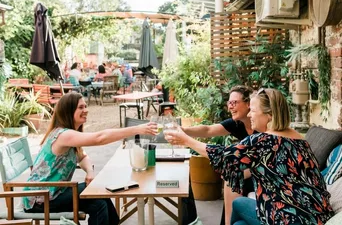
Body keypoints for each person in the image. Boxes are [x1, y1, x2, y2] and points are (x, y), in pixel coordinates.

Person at [167, 88, 334, 225]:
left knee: (239, 203)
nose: (249, 115)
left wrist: (185, 140)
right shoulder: (299, 138)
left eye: (253, 111)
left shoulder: (264, 140)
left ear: (269, 115)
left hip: (291, 218)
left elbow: (223, 156)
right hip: (318, 215)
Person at [23, 92, 157, 225]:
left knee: (100, 196)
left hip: (55, 192)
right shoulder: (63, 135)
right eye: (80, 107)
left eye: (85, 106)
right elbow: (100, 138)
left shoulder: (69, 134)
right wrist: (137, 129)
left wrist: (90, 172)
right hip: (41, 198)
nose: (86, 110)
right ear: (68, 111)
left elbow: (82, 156)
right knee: (98, 200)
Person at [181, 85, 254, 224]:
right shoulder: (237, 123)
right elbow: (208, 130)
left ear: (248, 104)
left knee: (232, 176)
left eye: (234, 103)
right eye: (229, 103)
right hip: (248, 169)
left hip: (260, 173)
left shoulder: (263, 127)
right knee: (232, 176)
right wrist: (184, 130)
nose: (230, 107)